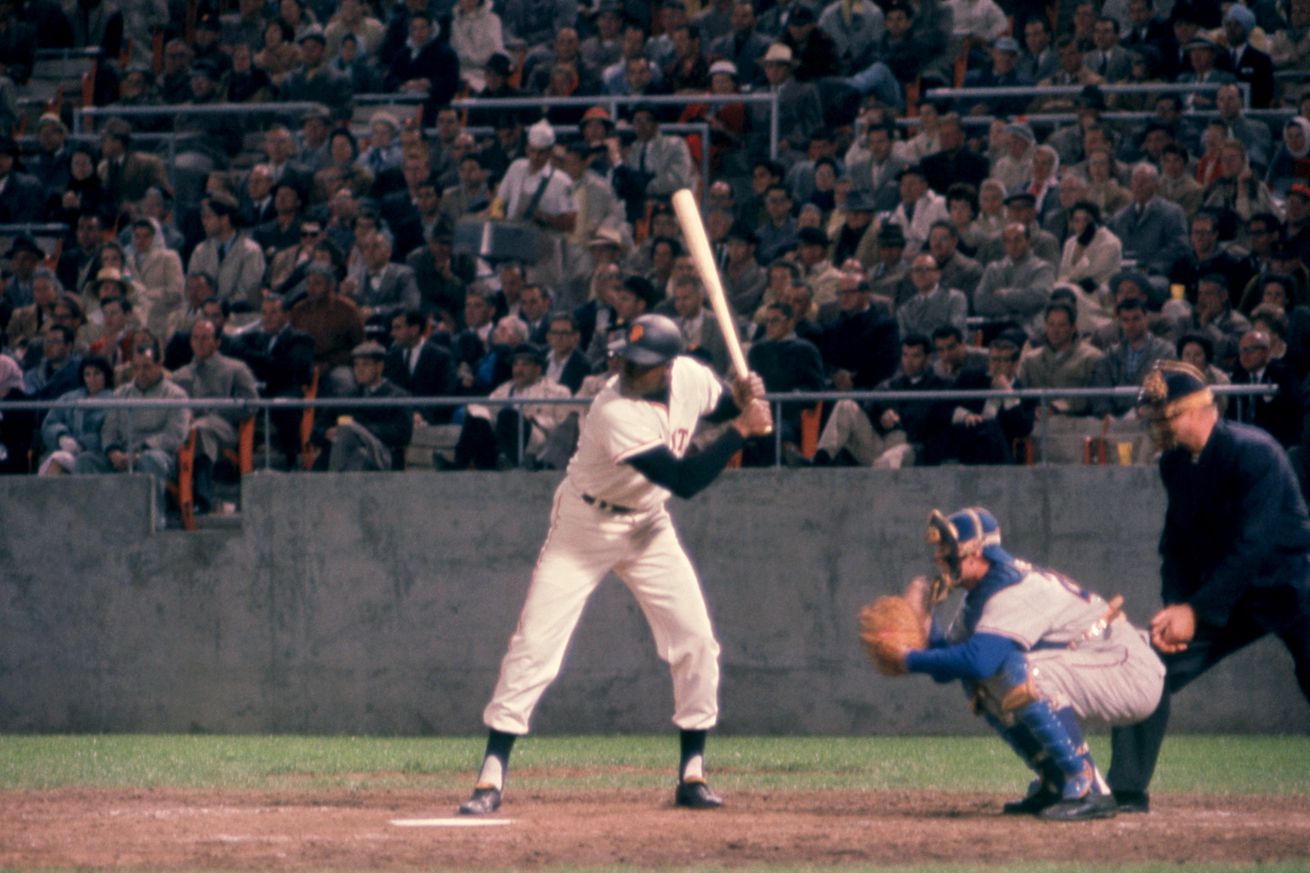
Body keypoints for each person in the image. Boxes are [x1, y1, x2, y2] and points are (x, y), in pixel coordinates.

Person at [457, 313, 772, 816]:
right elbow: (685, 480)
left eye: (641, 363)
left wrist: (738, 399)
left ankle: (692, 773)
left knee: (695, 640)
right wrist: (741, 430)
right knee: (537, 643)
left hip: (648, 523)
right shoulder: (612, 409)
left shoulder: (689, 375)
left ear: (668, 366)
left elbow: (712, 410)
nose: (628, 367)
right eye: (626, 358)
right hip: (585, 527)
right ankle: (491, 775)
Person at [1109, 361, 1310, 813]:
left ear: (1200, 408)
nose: (1159, 426)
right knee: (1147, 668)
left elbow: (1253, 547)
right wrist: (1173, 610)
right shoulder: (1175, 465)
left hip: (1291, 586)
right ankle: (1125, 790)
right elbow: (1176, 546)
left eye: (1167, 415)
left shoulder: (1255, 451)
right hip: (1224, 596)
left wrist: (1195, 611)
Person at [885, 507, 1164, 820]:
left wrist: (908, 659)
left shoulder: (1015, 589)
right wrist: (926, 623)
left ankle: (1089, 787)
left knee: (1019, 671)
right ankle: (1056, 781)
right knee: (981, 680)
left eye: (950, 554)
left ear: (977, 554)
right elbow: (952, 669)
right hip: (1098, 664)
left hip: (1128, 668)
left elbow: (979, 660)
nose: (942, 560)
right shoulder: (979, 595)